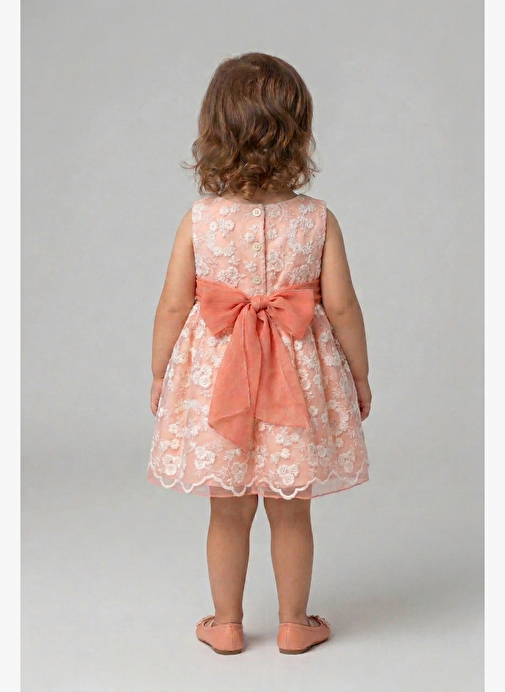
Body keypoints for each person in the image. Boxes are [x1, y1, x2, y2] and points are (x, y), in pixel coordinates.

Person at [147, 52, 371, 655]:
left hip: (219, 384)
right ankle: (295, 623)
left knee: (227, 511)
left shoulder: (200, 220)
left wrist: (161, 374)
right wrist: (359, 374)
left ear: (214, 132)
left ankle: (225, 624)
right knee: (292, 511)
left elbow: (173, 305)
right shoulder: (317, 219)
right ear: (298, 133)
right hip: (296, 384)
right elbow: (343, 307)